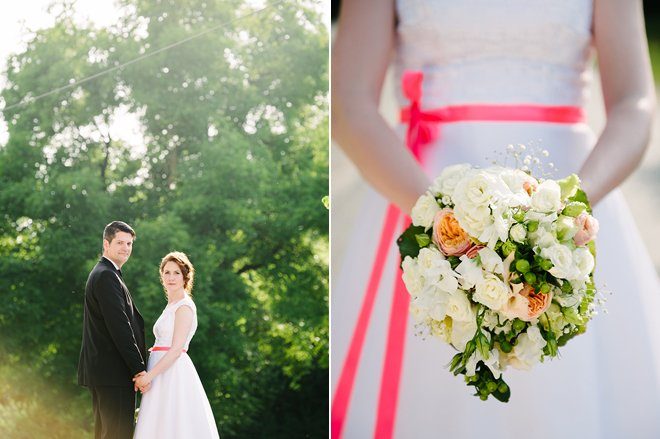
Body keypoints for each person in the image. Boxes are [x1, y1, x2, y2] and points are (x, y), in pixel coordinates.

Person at [331, 1, 660, 438]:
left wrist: (567, 212)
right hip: (418, 190)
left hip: (569, 200)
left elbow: (634, 101)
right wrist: (439, 217)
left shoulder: (569, 211)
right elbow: (348, 101)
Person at [133, 251, 219, 438]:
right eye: (167, 272)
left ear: (185, 277)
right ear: (161, 275)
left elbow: (176, 350)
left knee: (175, 425)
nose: (171, 277)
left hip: (172, 372)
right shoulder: (171, 305)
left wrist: (149, 377)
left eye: (176, 273)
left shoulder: (184, 306)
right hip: (158, 370)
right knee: (157, 426)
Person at [78, 220, 147, 439]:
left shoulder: (107, 273)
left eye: (129, 243)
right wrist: (138, 369)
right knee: (117, 434)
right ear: (106, 244)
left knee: (107, 434)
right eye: (120, 242)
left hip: (105, 372)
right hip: (113, 372)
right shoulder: (107, 276)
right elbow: (120, 327)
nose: (126, 248)